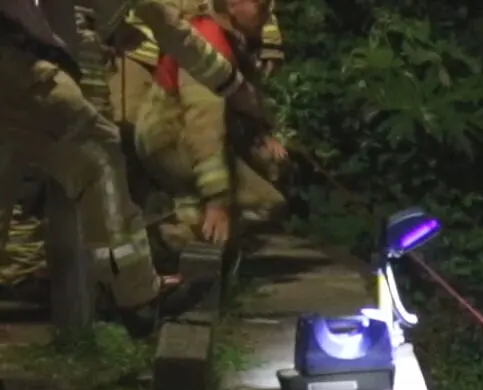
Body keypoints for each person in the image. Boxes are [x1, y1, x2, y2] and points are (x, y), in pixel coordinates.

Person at [0, 0, 239, 318]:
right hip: (17, 59)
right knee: (98, 155)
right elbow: (165, 23)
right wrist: (232, 84)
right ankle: (136, 296)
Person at [132, 0, 284, 252]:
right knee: (261, 202)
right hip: (170, 136)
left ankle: (182, 233)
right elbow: (204, 129)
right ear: (234, 5)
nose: (268, 16)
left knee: (206, 203)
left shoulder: (234, 40)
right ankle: (167, 238)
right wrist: (217, 199)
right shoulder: (208, 42)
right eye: (261, 6)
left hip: (178, 135)